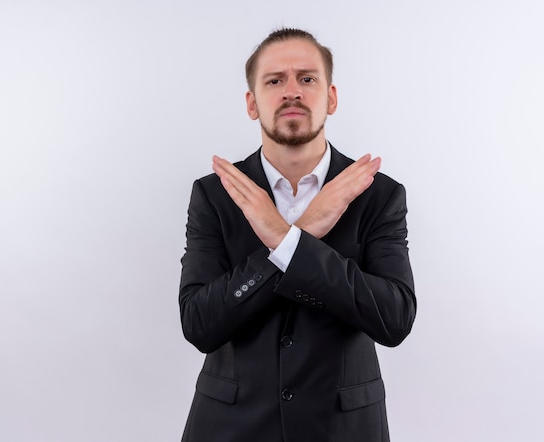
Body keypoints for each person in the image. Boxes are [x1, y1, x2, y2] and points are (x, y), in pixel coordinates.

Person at [178, 28, 416, 442]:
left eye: (307, 79)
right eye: (275, 80)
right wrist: (304, 233)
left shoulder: (379, 194)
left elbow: (394, 318)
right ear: (252, 103)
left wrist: (286, 241)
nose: (292, 92)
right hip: (230, 428)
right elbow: (200, 324)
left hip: (342, 429)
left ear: (331, 97)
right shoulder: (215, 195)